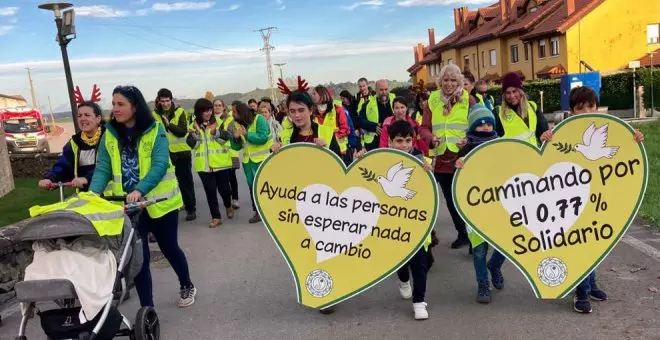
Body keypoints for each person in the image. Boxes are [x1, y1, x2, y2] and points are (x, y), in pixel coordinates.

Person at [90, 85, 196, 308]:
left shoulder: (155, 129)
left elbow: (159, 165)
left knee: (169, 248)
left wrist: (140, 189)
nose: (115, 109)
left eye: (121, 104)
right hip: (129, 207)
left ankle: (186, 283)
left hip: (158, 202)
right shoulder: (110, 132)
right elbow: (103, 167)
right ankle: (147, 309)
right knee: (140, 258)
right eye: (114, 104)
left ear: (135, 106)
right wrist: (93, 193)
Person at [542, 85, 644, 314]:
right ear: (572, 110)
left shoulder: (611, 128)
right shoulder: (564, 133)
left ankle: (591, 283)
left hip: (599, 198)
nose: (587, 110)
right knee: (580, 244)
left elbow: (623, 158)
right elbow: (550, 160)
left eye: (591, 106)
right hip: (572, 200)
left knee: (595, 242)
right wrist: (546, 138)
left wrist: (634, 140)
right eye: (581, 108)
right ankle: (581, 290)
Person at [271, 81, 344, 316]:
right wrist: (274, 155)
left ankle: (330, 292)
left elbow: (342, 167)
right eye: (292, 111)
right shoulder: (285, 137)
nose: (297, 115)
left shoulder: (325, 132)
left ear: (311, 111)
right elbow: (278, 175)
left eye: (301, 110)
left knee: (326, 249)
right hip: (299, 203)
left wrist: (328, 150)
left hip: (326, 201)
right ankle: (319, 288)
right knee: (308, 249)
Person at [455, 104, 506, 304]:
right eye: (480, 125)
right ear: (472, 127)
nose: (485, 128)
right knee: (479, 250)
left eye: (488, 124)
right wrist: (458, 165)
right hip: (474, 209)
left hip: (498, 206)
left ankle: (494, 266)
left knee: (503, 244)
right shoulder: (466, 149)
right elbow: (459, 180)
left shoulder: (500, 146)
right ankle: (483, 283)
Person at [420, 64, 475, 249]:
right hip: (440, 159)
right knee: (450, 201)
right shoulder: (432, 100)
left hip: (462, 157)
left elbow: (479, 126)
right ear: (440, 81)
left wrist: (468, 139)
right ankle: (462, 234)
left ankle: (475, 238)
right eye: (446, 80)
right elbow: (423, 127)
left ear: (459, 81)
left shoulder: (469, 100)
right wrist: (430, 137)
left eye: (453, 80)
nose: (449, 84)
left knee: (465, 199)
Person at [385, 119, 433, 320]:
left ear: (412, 141)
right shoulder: (382, 162)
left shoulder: (423, 163)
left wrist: (429, 173)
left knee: (420, 264)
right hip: (395, 224)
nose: (403, 145)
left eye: (407, 140)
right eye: (398, 141)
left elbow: (431, 192)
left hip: (419, 223)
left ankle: (419, 301)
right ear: (390, 142)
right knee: (401, 263)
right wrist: (361, 157)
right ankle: (403, 280)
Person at [39, 101, 105, 192]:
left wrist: (86, 179)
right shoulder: (74, 143)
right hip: (86, 197)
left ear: (98, 119)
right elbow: (63, 165)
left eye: (87, 115)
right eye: (80, 116)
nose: (82, 118)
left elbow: (106, 166)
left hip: (111, 198)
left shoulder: (109, 139)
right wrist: (50, 178)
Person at [153, 88, 196, 221]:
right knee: (169, 183)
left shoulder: (180, 112)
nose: (165, 103)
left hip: (182, 152)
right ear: (159, 101)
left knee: (185, 182)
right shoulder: (155, 114)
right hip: (165, 154)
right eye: (163, 101)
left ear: (171, 100)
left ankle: (191, 209)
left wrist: (169, 125)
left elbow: (182, 132)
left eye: (167, 101)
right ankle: (174, 206)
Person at [190, 98, 234, 228]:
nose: (208, 113)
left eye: (209, 110)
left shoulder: (220, 122)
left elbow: (227, 139)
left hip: (221, 163)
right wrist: (196, 135)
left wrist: (216, 132)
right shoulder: (193, 125)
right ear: (199, 112)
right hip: (203, 166)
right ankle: (216, 217)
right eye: (204, 111)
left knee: (224, 190)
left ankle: (228, 205)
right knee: (210, 192)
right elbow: (191, 145)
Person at [229, 102, 273, 224]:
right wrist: (236, 138)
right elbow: (236, 147)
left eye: (234, 111)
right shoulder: (237, 123)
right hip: (248, 163)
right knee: (252, 188)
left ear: (241, 112)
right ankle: (258, 212)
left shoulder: (259, 119)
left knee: (266, 188)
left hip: (262, 161)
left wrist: (247, 134)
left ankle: (271, 212)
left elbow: (263, 138)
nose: (232, 114)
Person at [493, 72, 552, 146]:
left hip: (534, 154)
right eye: (508, 93)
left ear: (520, 91)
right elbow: (493, 141)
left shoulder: (533, 107)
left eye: (514, 91)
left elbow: (543, 133)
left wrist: (544, 137)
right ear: (504, 95)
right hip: (512, 157)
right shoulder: (498, 112)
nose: (512, 96)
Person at [214, 99, 240, 209]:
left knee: (231, 176)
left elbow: (231, 134)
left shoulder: (229, 119)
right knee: (221, 181)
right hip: (216, 155)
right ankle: (227, 198)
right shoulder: (210, 119)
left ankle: (235, 198)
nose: (217, 107)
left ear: (224, 107)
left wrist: (218, 132)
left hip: (230, 151)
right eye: (215, 105)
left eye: (219, 105)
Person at [310, 85, 351, 158]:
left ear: (322, 94)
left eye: (314, 93)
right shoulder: (311, 113)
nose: (312, 96)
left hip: (338, 150)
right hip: (319, 150)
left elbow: (345, 129)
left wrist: (330, 138)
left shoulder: (338, 109)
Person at [357, 79, 395, 151]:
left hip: (393, 140)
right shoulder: (368, 104)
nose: (384, 92)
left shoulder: (395, 100)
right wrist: (373, 127)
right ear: (376, 90)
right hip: (374, 142)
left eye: (386, 89)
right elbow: (359, 120)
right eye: (381, 90)